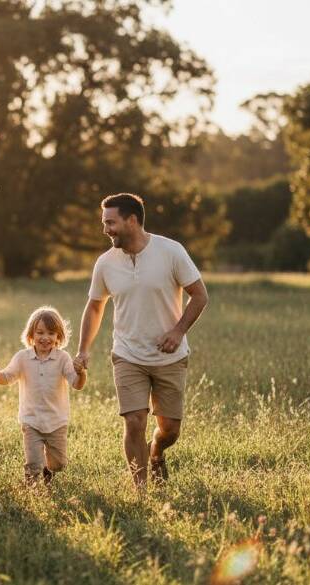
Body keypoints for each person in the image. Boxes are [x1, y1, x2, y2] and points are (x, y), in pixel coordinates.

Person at [75, 193, 209, 487]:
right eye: (104, 223)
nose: (105, 229)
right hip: (127, 354)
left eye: (110, 222)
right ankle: (141, 491)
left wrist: (178, 331)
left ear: (132, 220)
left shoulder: (170, 251)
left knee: (170, 429)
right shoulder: (106, 263)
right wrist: (83, 349)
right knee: (134, 421)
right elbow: (95, 306)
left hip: (169, 357)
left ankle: (157, 451)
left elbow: (200, 295)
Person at [0, 306, 86, 485]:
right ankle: (32, 488)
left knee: (58, 464)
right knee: (33, 462)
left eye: (51, 333)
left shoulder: (63, 358)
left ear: (58, 337)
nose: (45, 338)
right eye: (40, 332)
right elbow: (7, 378)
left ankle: (48, 471)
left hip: (56, 421)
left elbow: (77, 384)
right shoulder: (22, 358)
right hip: (31, 420)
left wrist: (82, 373)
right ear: (31, 336)